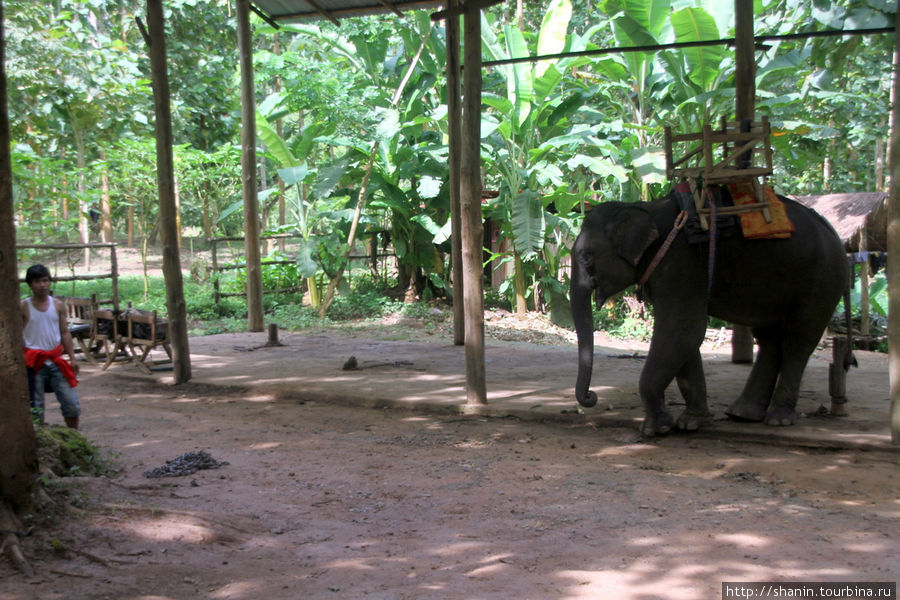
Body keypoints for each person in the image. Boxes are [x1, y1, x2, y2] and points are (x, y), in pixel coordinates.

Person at [21, 264, 81, 429]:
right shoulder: (23, 307)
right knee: (36, 406)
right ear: (30, 284)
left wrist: (73, 358)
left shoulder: (58, 305)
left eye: (45, 280)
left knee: (71, 403)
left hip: (56, 360)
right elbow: (17, 336)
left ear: (49, 282)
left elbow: (64, 333)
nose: (42, 285)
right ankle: (38, 440)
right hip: (33, 363)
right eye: (37, 281)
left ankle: (74, 437)